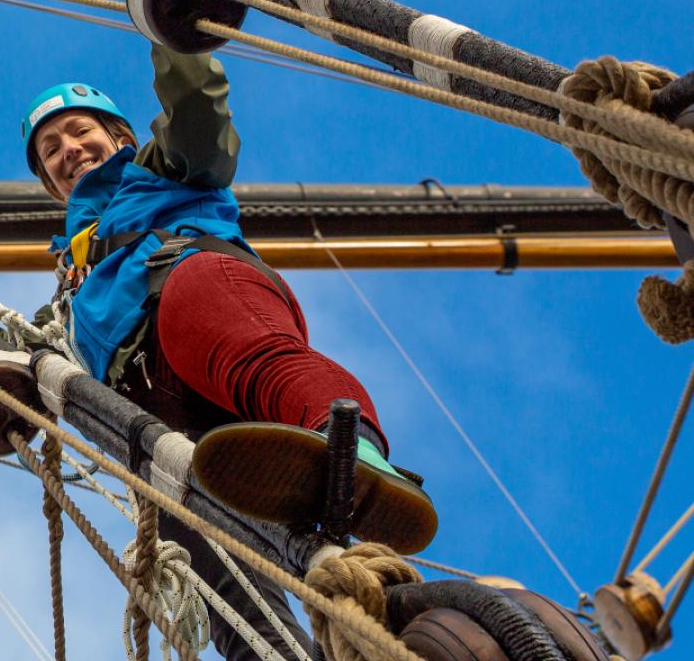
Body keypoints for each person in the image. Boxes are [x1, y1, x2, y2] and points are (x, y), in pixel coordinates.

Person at [21, 44, 438, 660]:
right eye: (50, 151)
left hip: (190, 293)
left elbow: (195, 114)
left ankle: (361, 457)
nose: (67, 151)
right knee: (198, 561)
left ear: (120, 136)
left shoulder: (158, 170)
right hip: (151, 404)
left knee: (252, 358)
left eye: (78, 131)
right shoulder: (71, 279)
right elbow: (20, 357)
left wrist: (173, 33)